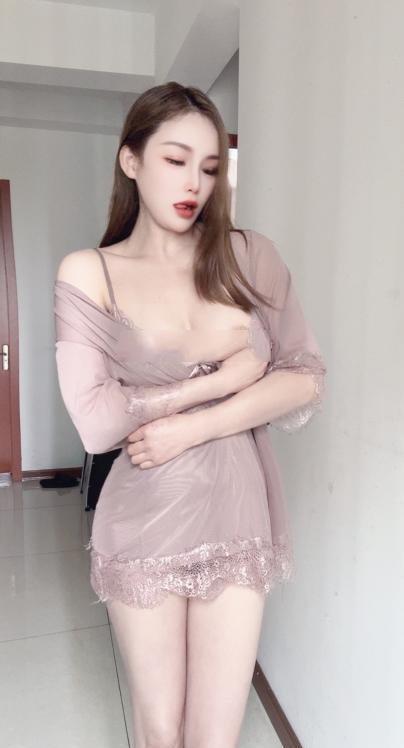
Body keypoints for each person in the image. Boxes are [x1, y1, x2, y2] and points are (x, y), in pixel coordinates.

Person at [54, 82, 326, 748]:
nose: (194, 184)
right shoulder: (91, 271)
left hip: (237, 512)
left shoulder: (248, 256)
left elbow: (304, 377)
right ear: (131, 160)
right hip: (142, 516)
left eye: (208, 167)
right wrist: (219, 383)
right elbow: (96, 424)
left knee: (215, 733)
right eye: (175, 160)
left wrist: (194, 426)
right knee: (160, 727)